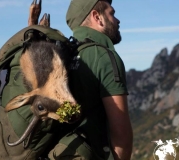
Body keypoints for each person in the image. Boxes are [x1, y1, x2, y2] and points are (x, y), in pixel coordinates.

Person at [48, 0, 133, 159]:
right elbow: (121, 135)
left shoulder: (63, 56)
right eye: (112, 13)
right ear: (97, 17)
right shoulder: (104, 57)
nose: (117, 20)